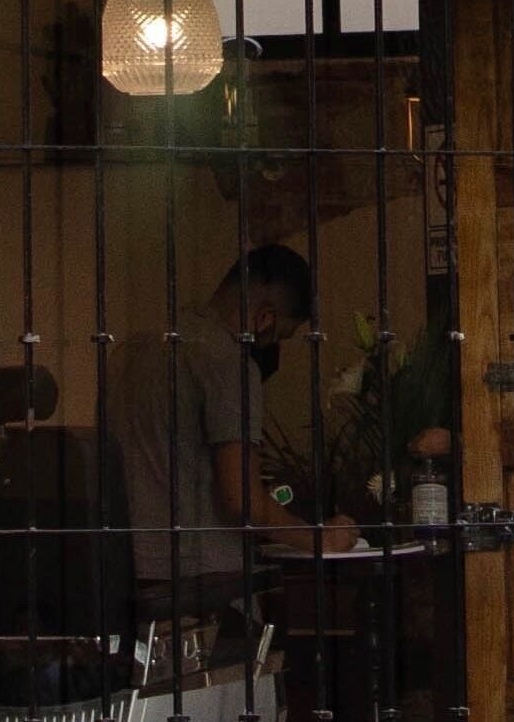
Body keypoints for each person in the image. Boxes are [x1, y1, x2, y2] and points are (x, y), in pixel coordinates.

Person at [109, 245, 359, 613]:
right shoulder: (227, 363)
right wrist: (321, 538)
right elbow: (241, 500)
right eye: (280, 336)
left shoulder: (132, 351)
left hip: (128, 575)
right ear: (265, 319)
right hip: (205, 586)